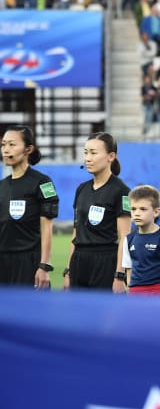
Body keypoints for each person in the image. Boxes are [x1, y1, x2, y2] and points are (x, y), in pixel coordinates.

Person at [65, 133, 131, 292]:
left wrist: (119, 275)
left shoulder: (122, 191)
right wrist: (68, 271)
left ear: (111, 156)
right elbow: (76, 233)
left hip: (105, 262)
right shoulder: (81, 189)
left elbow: (125, 237)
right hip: (79, 262)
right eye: (86, 152)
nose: (88, 158)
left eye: (93, 153)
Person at [0, 125, 58, 287]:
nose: (5, 149)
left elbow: (47, 227)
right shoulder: (2, 186)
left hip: (29, 263)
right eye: (3, 144)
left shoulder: (42, 182)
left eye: (12, 144)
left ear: (28, 149)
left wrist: (44, 266)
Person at [122, 185, 160, 296]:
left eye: (143, 209)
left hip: (157, 292)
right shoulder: (128, 239)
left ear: (156, 212)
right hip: (134, 294)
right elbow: (128, 271)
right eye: (133, 209)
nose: (137, 213)